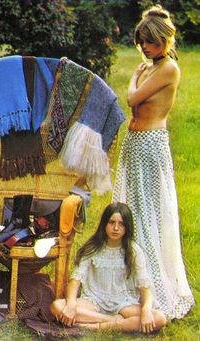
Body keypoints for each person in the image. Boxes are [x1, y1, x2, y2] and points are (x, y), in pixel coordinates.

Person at [113, 5, 194, 320]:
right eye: (142, 41)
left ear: (165, 40)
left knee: (148, 216)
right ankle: (132, 282)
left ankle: (155, 287)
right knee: (130, 210)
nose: (146, 47)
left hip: (151, 144)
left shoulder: (168, 69)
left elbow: (132, 99)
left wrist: (133, 79)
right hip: (134, 143)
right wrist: (137, 74)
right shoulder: (147, 67)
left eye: (152, 41)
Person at [50, 202, 167, 333]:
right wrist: (71, 304)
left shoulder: (134, 251)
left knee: (160, 318)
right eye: (111, 222)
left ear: (127, 227)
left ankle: (94, 326)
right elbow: (75, 280)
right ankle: (113, 322)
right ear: (104, 224)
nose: (116, 228)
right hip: (94, 302)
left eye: (121, 224)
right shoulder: (93, 247)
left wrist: (145, 310)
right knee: (57, 306)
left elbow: (145, 287)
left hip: (124, 304)